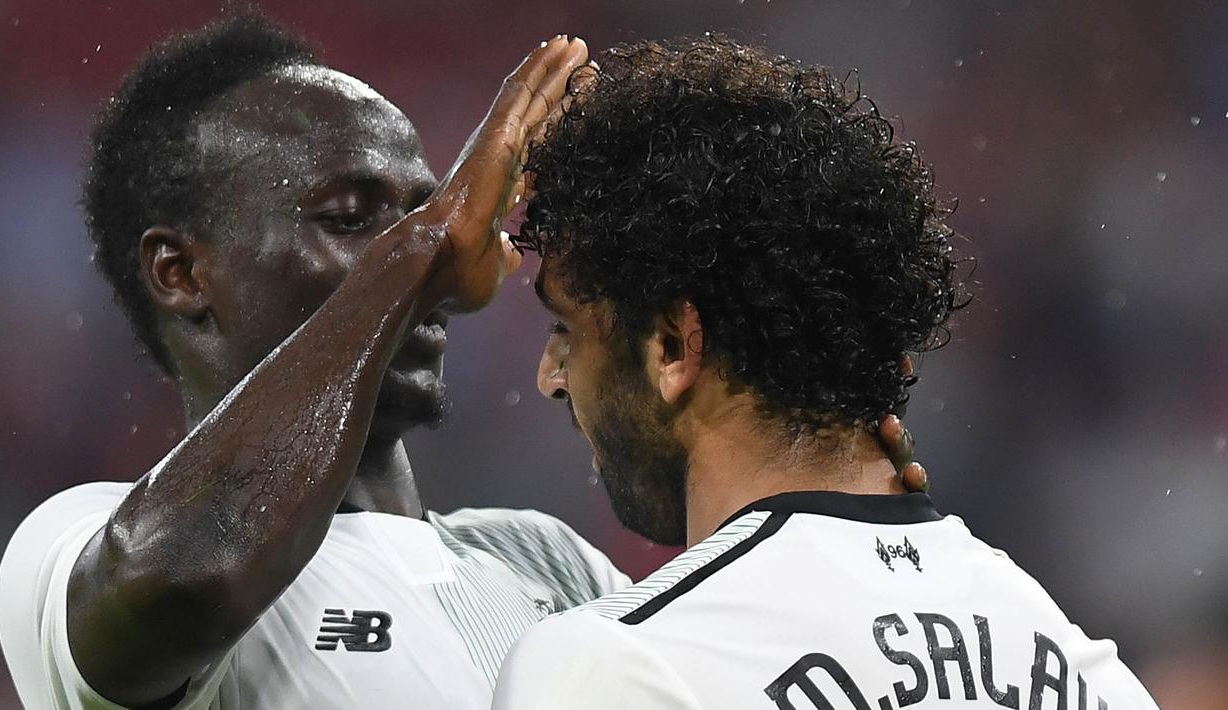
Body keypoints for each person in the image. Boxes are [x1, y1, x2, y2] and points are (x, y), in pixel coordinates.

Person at [0, 15, 927, 710]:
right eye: (351, 215)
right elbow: (185, 583)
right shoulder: (75, 544)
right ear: (181, 272)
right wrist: (419, 254)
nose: (448, 257)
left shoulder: (546, 561)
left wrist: (842, 534)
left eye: (433, 210)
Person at [491, 36, 1159, 709]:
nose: (552, 376)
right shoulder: (1086, 672)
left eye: (566, 330)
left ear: (671, 346)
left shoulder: (615, 664)